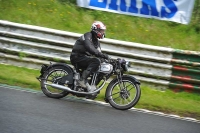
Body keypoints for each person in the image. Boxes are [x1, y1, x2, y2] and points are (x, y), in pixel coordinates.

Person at [70, 21, 109, 92]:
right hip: (77, 57)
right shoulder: (88, 35)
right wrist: (102, 55)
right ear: (96, 29)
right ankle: (82, 80)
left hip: (84, 58)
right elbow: (90, 48)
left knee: (99, 64)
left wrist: (108, 60)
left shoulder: (96, 41)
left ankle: (91, 85)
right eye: (101, 30)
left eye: (103, 31)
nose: (103, 32)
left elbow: (99, 52)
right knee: (95, 61)